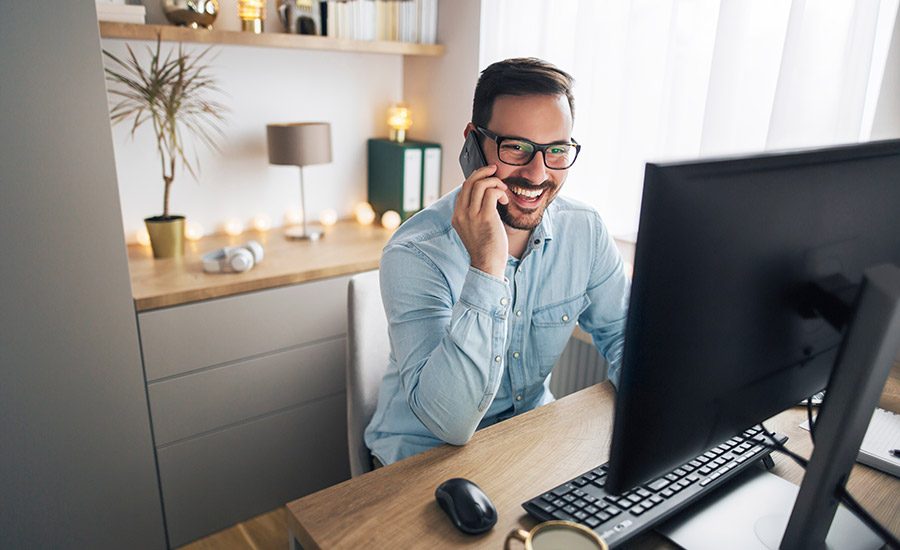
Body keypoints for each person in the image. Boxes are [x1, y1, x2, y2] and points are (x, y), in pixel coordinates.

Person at [364, 58, 631, 467]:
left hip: (527, 437)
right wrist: (487, 265)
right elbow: (450, 425)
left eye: (556, 150)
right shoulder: (415, 252)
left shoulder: (586, 231)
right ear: (473, 143)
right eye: (517, 147)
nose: (538, 174)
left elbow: (625, 333)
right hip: (421, 456)